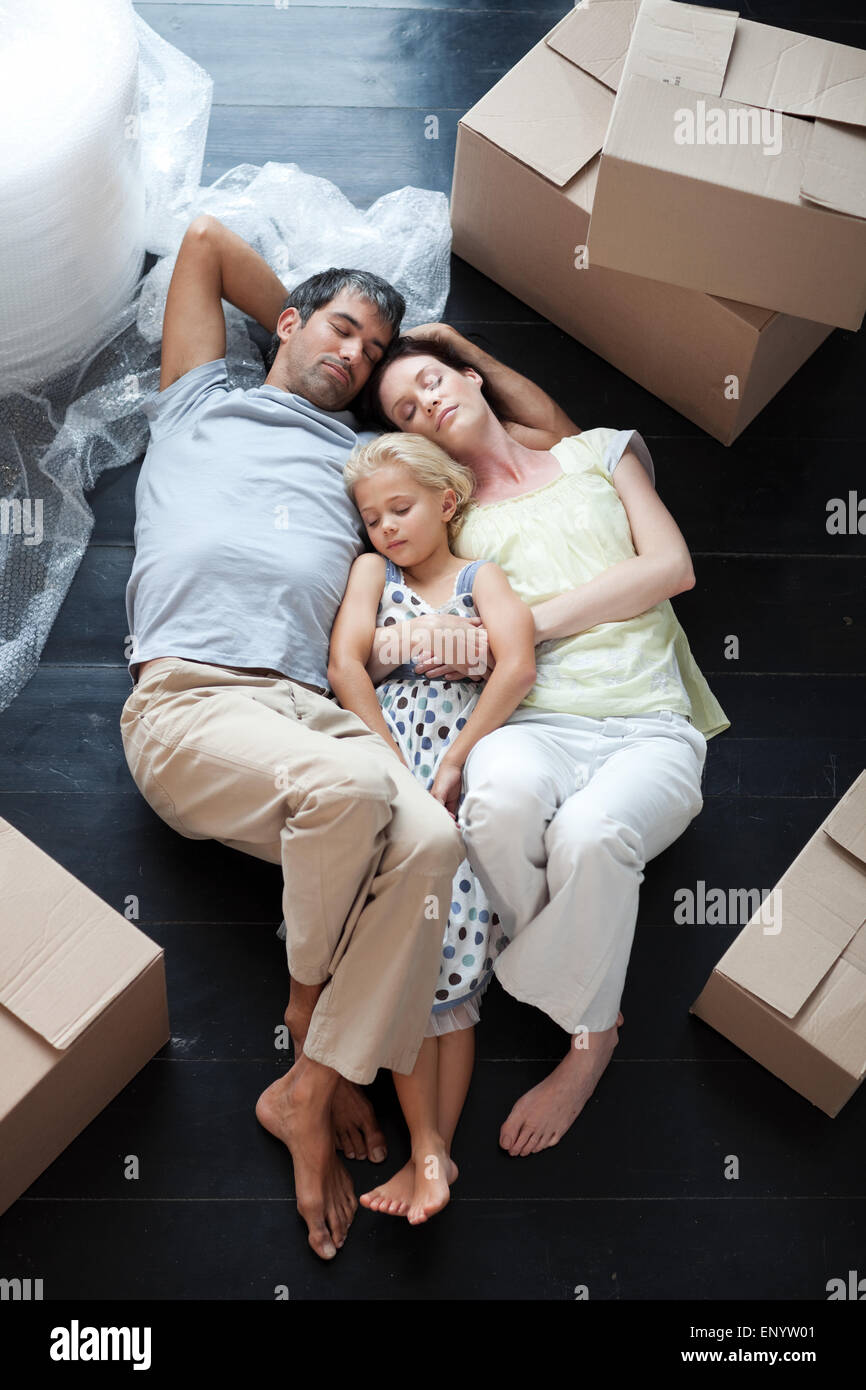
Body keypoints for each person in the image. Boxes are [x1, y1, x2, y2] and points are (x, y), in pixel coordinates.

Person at [118, 219, 578, 1256]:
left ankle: (307, 1086)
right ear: (284, 322)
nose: (356, 356)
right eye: (341, 331)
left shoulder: (361, 459)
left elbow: (541, 440)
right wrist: (324, 319)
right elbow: (202, 243)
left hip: (310, 716)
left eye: (373, 352)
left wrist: (444, 362)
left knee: (427, 841)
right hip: (194, 699)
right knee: (363, 802)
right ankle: (309, 1031)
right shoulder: (203, 396)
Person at [361, 327, 730, 1159]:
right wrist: (443, 641)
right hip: (536, 724)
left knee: (590, 836)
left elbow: (670, 566)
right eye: (408, 411)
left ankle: (589, 1036)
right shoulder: (452, 527)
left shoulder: (599, 453)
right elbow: (409, 630)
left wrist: (515, 628)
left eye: (432, 381)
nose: (431, 403)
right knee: (492, 807)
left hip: (650, 723)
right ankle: (588, 976)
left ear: (469, 375)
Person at [328, 433, 536, 1222]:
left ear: (447, 503)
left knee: (450, 977)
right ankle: (430, 1156)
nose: (383, 527)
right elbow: (346, 665)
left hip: (466, 771)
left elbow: (517, 665)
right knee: (409, 964)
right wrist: (395, 762)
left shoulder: (484, 579)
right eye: (370, 515)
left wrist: (454, 763)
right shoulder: (371, 574)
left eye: (400, 508)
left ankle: (430, 1158)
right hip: (392, 773)